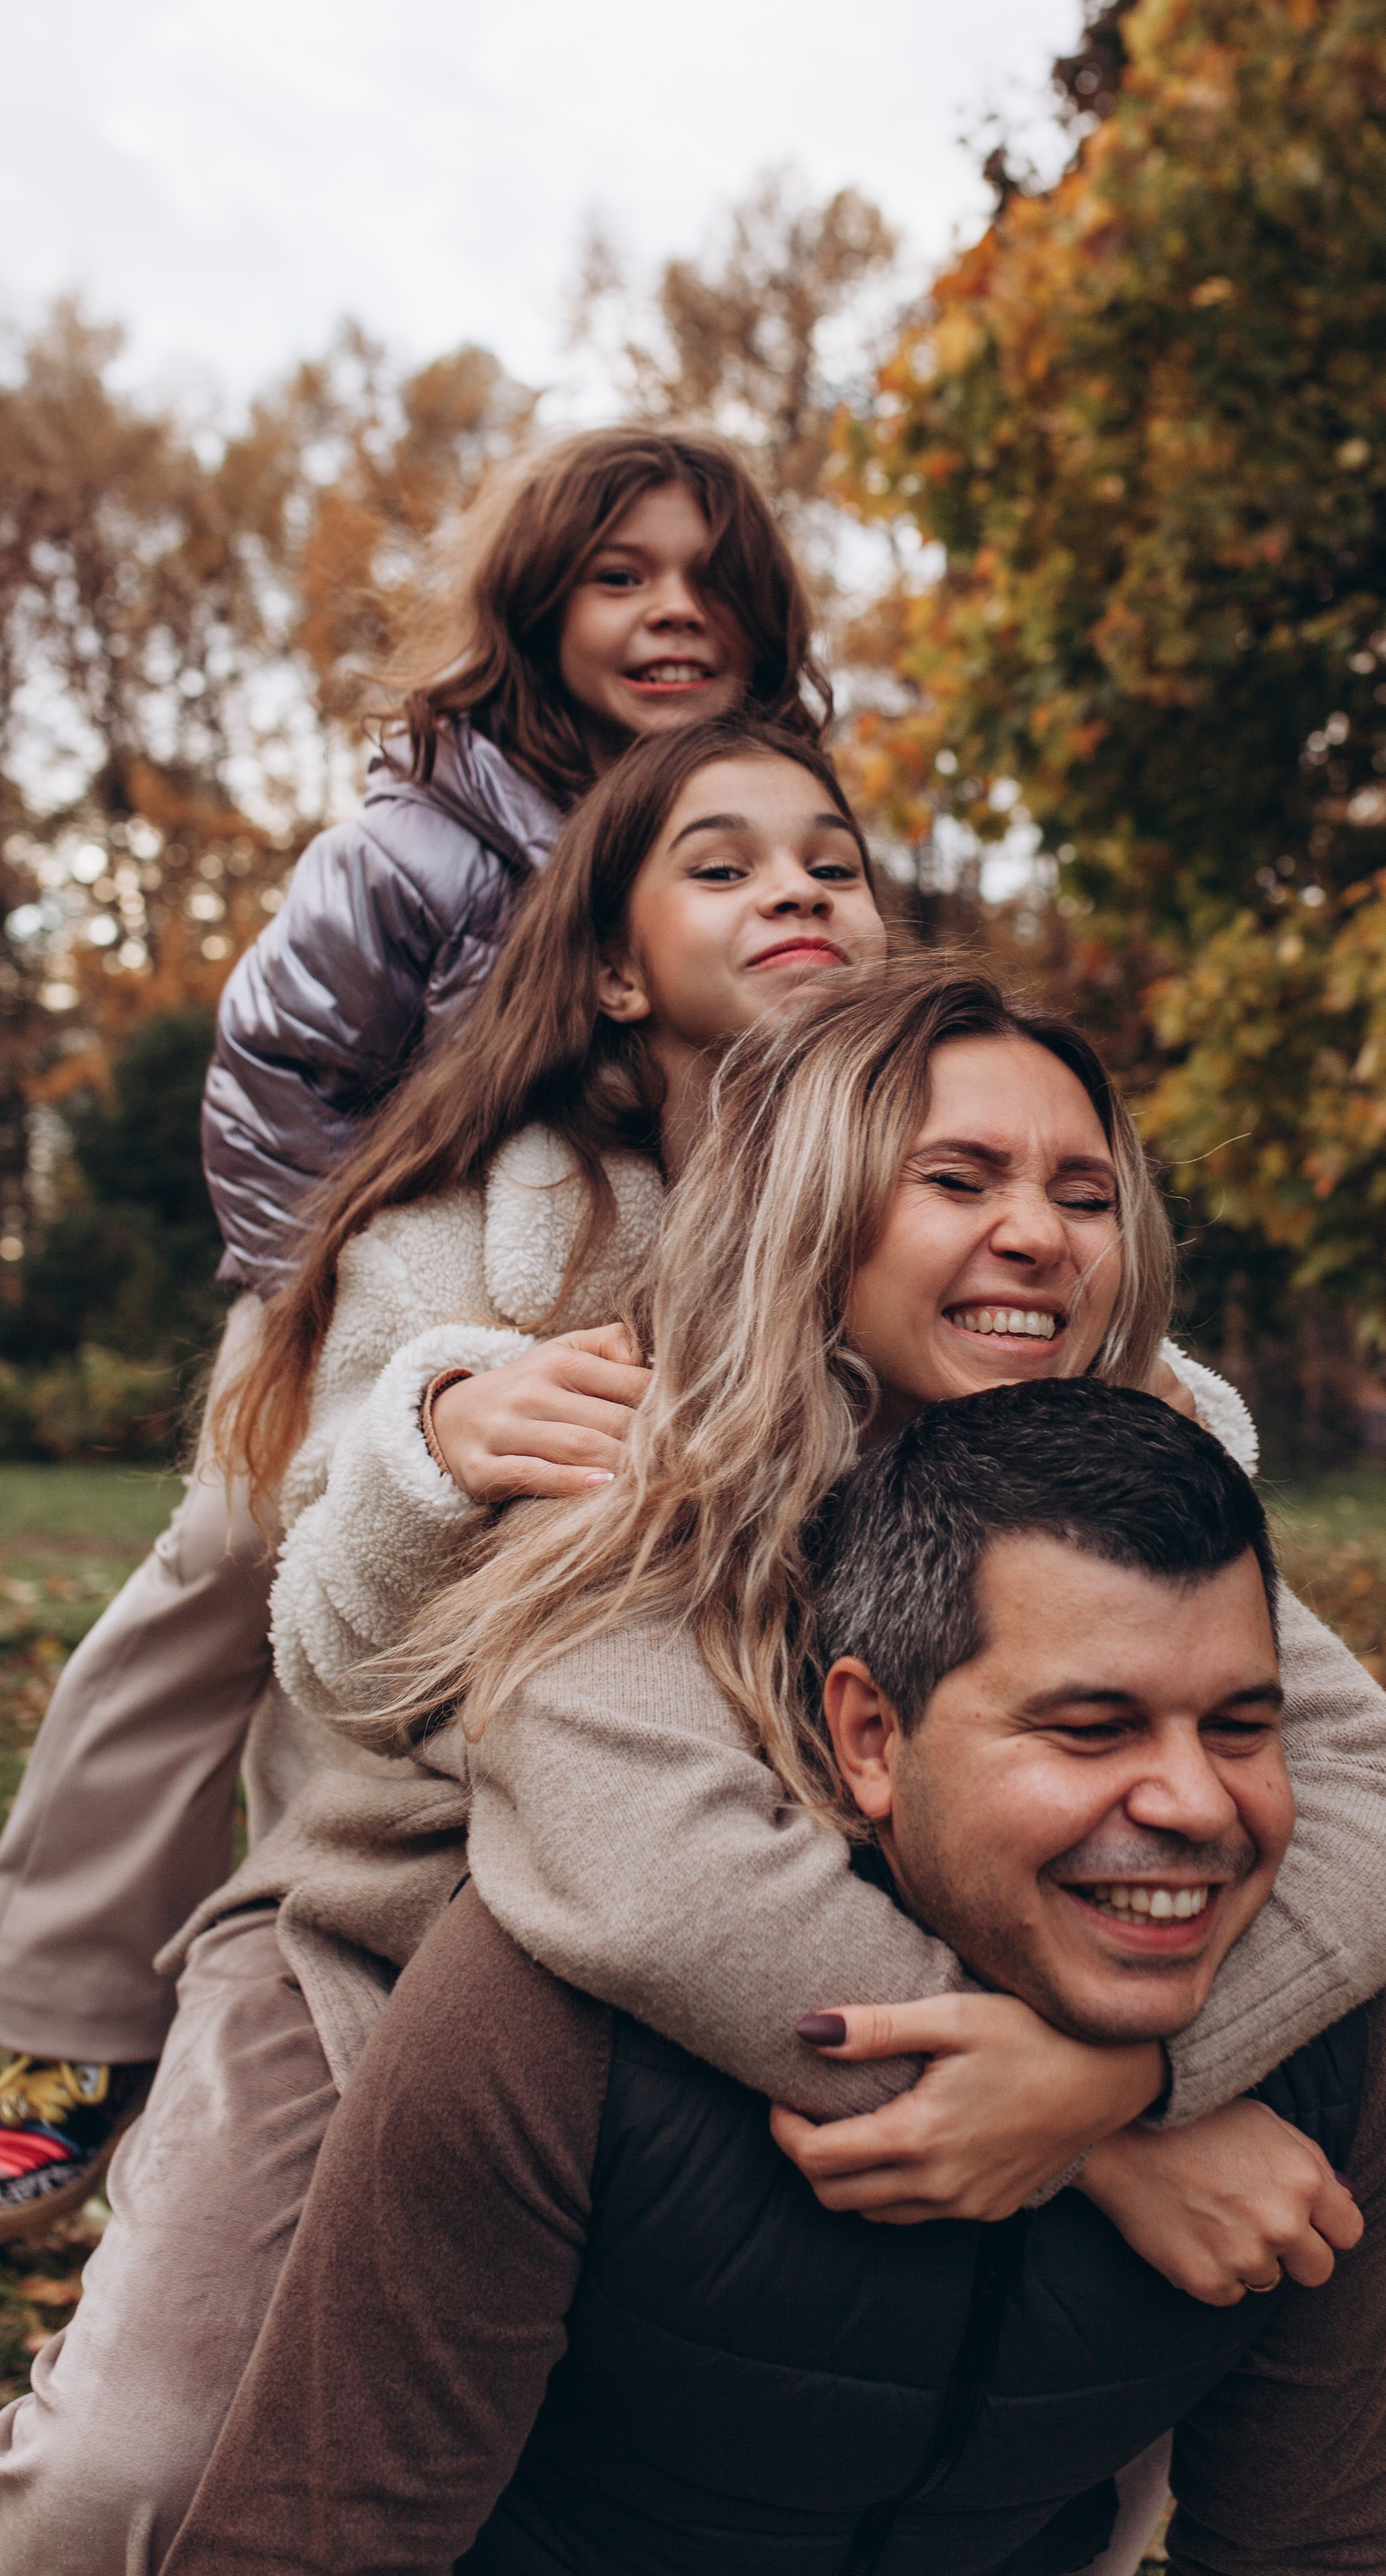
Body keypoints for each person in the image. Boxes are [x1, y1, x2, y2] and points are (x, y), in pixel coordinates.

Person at [0, 954, 1386, 2573]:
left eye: (1085, 1194)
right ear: (816, 1209)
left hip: (836, 2060)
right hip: (431, 1992)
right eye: (958, 1180)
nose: (1039, 1234)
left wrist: (1128, 2070)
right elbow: (657, 1884)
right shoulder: (646, 1456)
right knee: (133, 2472)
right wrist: (1100, 2133)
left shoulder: (1123, 1484)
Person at [161, 1380, 1386, 2576]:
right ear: (870, 1735)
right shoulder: (552, 2016)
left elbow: (1311, 2550)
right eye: (1091, 1729)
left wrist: (1135, 2092)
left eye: (1241, 1727)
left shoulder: (1338, 2040)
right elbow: (320, 2546)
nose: (1195, 1804)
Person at [0, 425, 827, 2227]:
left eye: (712, 581)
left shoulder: (765, 829)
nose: (672, 611)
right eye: (620, 577)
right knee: (228, 1569)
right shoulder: (421, 840)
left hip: (632, 1277)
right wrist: (344, 1303)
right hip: (363, 1282)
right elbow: (273, 1067)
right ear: (536, 607)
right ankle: (60, 2012)